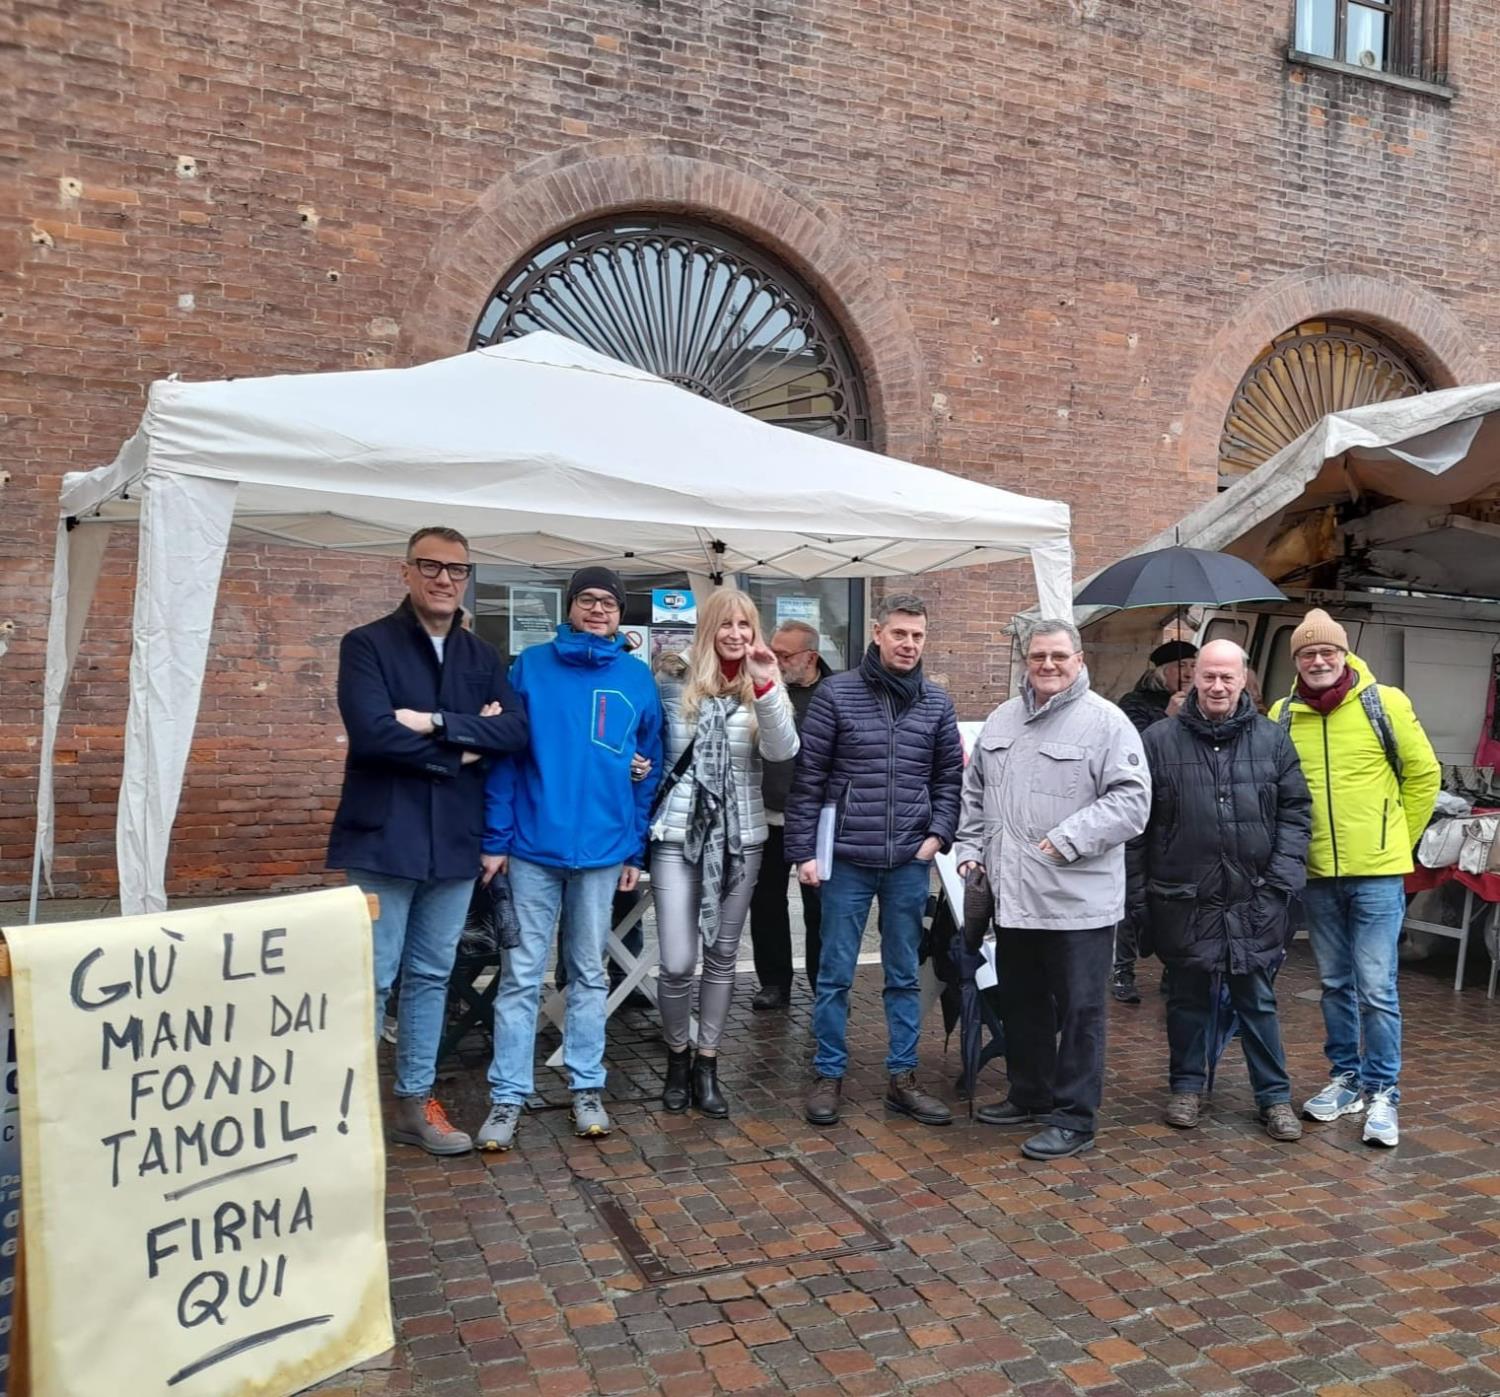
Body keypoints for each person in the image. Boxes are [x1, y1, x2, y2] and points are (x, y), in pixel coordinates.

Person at [328, 525, 529, 1156]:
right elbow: (373, 735)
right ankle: (348, 1114)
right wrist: (463, 750)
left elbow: (515, 732)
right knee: (373, 977)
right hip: (384, 838)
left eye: (456, 569)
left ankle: (414, 1103)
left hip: (453, 842)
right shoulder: (367, 645)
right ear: (407, 572)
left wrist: (435, 723)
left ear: (467, 577)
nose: (444, 579)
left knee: (431, 976)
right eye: (431, 566)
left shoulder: (482, 656)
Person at [476, 566, 664, 1150]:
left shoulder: (636, 677)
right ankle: (508, 1095)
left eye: (609, 602)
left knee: (588, 973)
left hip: (604, 852)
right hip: (533, 848)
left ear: (620, 613)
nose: (598, 609)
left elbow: (649, 765)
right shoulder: (530, 667)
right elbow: (505, 758)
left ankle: (587, 1086)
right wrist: (496, 838)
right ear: (570, 606)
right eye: (587, 599)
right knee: (520, 977)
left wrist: (634, 846)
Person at [955, 617, 1150, 1160]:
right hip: (1013, 899)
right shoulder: (1002, 719)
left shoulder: (1107, 723)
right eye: (1038, 656)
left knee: (1081, 1013)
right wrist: (970, 850)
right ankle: (1030, 1094)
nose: (1048, 665)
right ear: (1026, 661)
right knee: (1023, 1004)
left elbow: (1132, 802)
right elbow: (974, 794)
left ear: (1079, 660)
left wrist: (1067, 840)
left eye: (1059, 656)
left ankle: (1074, 1117)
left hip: (1077, 903)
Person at [785, 594, 963, 1129]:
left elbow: (949, 778)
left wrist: (938, 835)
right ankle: (828, 1074)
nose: (909, 644)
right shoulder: (836, 694)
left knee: (904, 974)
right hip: (845, 859)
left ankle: (902, 1078)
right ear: (878, 633)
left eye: (918, 635)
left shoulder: (936, 702)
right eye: (900, 633)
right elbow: (809, 778)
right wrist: (802, 852)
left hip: (909, 859)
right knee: (835, 973)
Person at [1126, 640, 1311, 1142]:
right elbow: (1137, 826)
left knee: (1257, 1000)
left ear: (1243, 678)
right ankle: (1186, 1087)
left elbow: (1296, 813)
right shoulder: (1158, 740)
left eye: (1227, 677)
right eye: (1208, 676)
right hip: (1183, 896)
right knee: (1186, 998)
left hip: (1255, 896)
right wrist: (1139, 897)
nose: (1217, 686)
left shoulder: (1272, 740)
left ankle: (1274, 1097)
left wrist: (1280, 883)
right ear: (1194, 679)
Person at [1269, 609, 1439, 1147]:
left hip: (1378, 876)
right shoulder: (1282, 714)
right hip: (1317, 873)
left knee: (1377, 987)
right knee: (1335, 984)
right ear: (1296, 661)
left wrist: (1398, 841)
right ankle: (1346, 1079)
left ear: (1344, 654)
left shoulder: (1384, 702)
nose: (1318, 660)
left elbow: (1424, 774)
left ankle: (1383, 1090)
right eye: (1307, 653)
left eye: (1327, 651)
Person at [650, 588, 800, 1116]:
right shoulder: (672, 680)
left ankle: (707, 1063)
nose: (736, 634)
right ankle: (677, 1057)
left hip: (741, 841)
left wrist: (766, 684)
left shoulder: (763, 683)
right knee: (676, 962)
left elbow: (782, 750)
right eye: (726, 624)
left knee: (721, 957)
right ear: (708, 628)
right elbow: (650, 745)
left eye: (745, 625)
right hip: (678, 837)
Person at [748, 620, 832, 1010]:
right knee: (766, 903)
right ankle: (774, 982)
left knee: (820, 908)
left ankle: (822, 984)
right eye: (774, 652)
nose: (776, 661)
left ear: (810, 657)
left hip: (816, 820)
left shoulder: (835, 694)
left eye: (785, 655)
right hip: (767, 814)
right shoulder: (761, 689)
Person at [1112, 640, 1198, 1003]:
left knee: (1178, 896)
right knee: (1133, 896)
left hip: (1179, 812)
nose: (1189, 672)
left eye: (1193, 665)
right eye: (1182, 666)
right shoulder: (1134, 704)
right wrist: (1168, 717)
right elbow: (1133, 752)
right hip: (1141, 814)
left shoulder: (1199, 704)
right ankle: (1122, 969)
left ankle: (1172, 969)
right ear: (1162, 672)